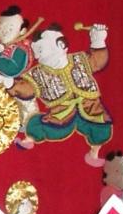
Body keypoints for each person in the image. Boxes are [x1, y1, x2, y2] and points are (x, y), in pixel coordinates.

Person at [15, 23, 111, 166]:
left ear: (60, 45)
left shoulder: (80, 60)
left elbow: (98, 61)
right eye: (36, 52)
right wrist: (11, 85)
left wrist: (98, 41)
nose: (37, 55)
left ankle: (94, 154)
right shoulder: (38, 73)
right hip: (60, 113)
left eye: (41, 50)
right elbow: (28, 88)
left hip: (91, 107)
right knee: (42, 125)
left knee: (101, 128)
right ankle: (29, 139)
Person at [0, 6, 38, 140]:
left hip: (16, 84)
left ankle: (29, 130)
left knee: (25, 108)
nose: (4, 31)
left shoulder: (20, 49)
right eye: (0, 27)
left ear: (22, 31)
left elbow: (12, 69)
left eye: (10, 29)